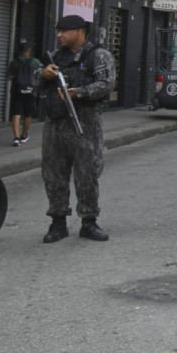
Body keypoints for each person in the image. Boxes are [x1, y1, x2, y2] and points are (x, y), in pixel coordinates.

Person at [38, 15, 115, 243]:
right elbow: (34, 84)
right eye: (58, 31)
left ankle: (89, 222)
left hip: (85, 125)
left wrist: (78, 92)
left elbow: (106, 84)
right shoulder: (54, 57)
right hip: (55, 124)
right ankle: (58, 222)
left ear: (80, 31)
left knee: (87, 174)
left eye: (64, 31)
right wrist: (43, 75)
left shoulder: (98, 55)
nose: (59, 35)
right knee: (53, 175)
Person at [7, 42, 39, 147]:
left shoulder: (14, 62)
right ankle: (24, 135)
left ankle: (16, 138)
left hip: (17, 90)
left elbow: (10, 77)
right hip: (30, 91)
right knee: (28, 114)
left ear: (19, 51)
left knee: (16, 113)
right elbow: (40, 75)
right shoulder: (35, 62)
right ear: (29, 51)